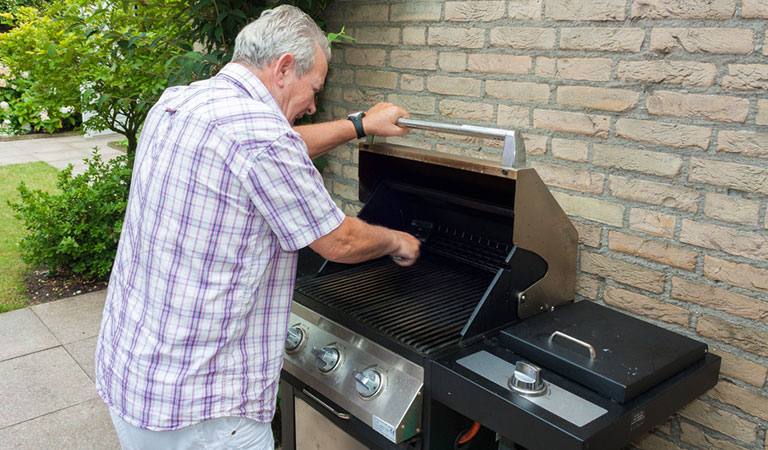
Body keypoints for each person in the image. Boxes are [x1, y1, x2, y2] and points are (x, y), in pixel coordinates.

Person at [94, 5, 421, 450]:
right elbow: (339, 240)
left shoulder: (181, 101)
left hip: (137, 378)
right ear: (284, 67)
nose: (311, 105)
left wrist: (359, 125)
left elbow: (276, 144)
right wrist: (398, 240)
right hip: (203, 413)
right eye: (314, 89)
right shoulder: (261, 136)